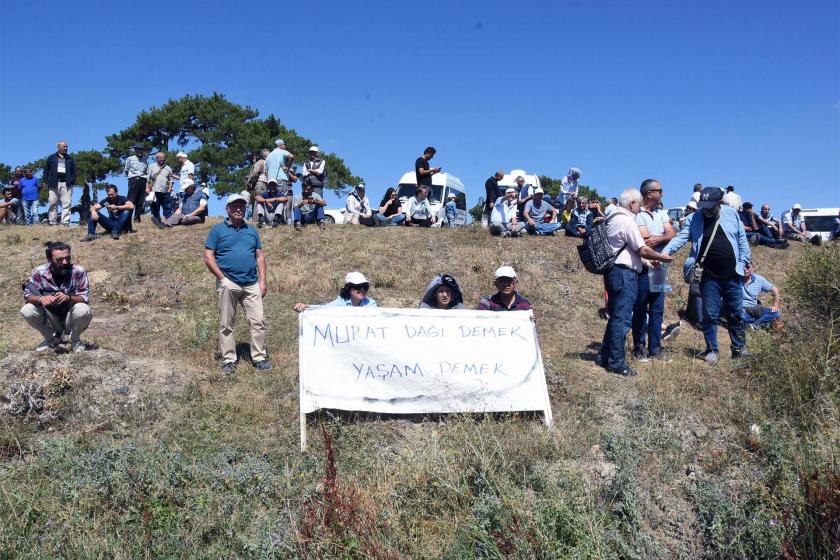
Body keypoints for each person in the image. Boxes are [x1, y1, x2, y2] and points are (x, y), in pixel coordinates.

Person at [663, 186, 751, 363]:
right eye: (704, 206)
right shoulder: (694, 218)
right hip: (708, 276)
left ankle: (739, 349)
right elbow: (681, 238)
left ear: (719, 203)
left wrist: (744, 262)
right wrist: (665, 253)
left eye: (710, 207)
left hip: (732, 274)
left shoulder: (731, 214)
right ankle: (712, 349)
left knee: (735, 313)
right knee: (709, 314)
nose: (707, 210)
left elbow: (742, 240)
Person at [597, 189, 673, 377]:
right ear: (632, 204)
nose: (639, 209)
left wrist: (648, 261)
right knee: (622, 319)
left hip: (615, 272)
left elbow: (629, 251)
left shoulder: (613, 218)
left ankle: (604, 356)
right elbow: (641, 249)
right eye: (638, 205)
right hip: (624, 274)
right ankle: (616, 362)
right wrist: (661, 258)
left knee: (616, 316)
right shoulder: (627, 220)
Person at [203, 194, 270, 375]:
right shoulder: (217, 230)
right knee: (227, 324)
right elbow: (208, 256)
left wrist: (263, 281)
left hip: (251, 284)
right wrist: (222, 279)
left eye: (241, 206)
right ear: (227, 209)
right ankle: (229, 359)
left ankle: (259, 357)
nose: (238, 209)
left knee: (258, 321)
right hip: (229, 282)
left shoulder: (252, 231)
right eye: (234, 206)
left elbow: (259, 256)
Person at [631, 179, 677, 362]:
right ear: (649, 193)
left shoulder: (662, 213)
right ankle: (639, 348)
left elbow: (672, 234)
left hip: (660, 267)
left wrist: (657, 239)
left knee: (657, 309)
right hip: (643, 266)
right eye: (660, 190)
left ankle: (655, 349)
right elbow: (643, 239)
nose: (663, 194)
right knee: (641, 307)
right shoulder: (638, 214)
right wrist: (663, 238)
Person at [20, 241, 92, 352]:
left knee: (83, 309)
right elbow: (28, 295)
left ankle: (75, 341)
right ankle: (52, 339)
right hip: (50, 316)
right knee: (27, 309)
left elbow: (84, 297)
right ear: (50, 260)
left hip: (70, 316)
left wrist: (69, 297)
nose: (65, 262)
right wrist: (41, 298)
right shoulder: (39, 272)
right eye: (59, 259)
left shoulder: (78, 271)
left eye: (68, 258)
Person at [293, 271, 377, 311]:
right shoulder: (339, 304)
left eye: (365, 286)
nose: (362, 290)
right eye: (358, 286)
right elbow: (323, 309)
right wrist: (305, 307)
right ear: (349, 288)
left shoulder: (371, 304)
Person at [43, 140, 76, 226]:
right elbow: (46, 171)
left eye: (66, 147)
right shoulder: (51, 157)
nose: (66, 148)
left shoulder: (70, 158)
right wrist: (45, 181)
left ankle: (65, 222)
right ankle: (52, 222)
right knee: (52, 203)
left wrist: (72, 180)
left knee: (67, 204)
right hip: (54, 183)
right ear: (58, 147)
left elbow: (74, 171)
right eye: (63, 147)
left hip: (67, 184)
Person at [741, 262, 782, 330]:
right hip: (742, 309)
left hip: (755, 309)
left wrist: (775, 305)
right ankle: (760, 324)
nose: (745, 269)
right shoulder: (735, 280)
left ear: (752, 267)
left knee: (776, 313)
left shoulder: (759, 279)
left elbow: (775, 290)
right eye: (743, 267)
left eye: (747, 267)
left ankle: (754, 325)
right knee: (741, 316)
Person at [146, 151, 174, 228]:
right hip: (154, 190)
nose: (162, 159)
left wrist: (170, 189)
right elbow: (147, 179)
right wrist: (147, 188)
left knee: (167, 208)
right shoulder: (151, 166)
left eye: (163, 157)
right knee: (155, 207)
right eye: (160, 157)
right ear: (157, 158)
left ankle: (169, 222)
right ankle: (158, 223)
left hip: (165, 191)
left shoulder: (168, 168)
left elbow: (171, 180)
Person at [124, 145, 149, 226]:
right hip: (133, 179)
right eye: (138, 149)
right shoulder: (130, 158)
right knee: (131, 200)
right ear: (135, 150)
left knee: (140, 201)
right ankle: (127, 218)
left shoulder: (145, 159)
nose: (139, 151)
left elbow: (147, 172)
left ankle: (137, 218)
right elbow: (126, 170)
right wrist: (133, 178)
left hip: (143, 180)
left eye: (141, 149)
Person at [246, 149, 270, 218]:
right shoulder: (261, 162)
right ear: (265, 155)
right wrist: (249, 181)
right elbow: (254, 172)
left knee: (263, 200)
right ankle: (256, 218)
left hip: (265, 184)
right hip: (261, 183)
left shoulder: (267, 162)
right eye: (269, 153)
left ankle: (262, 218)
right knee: (259, 200)